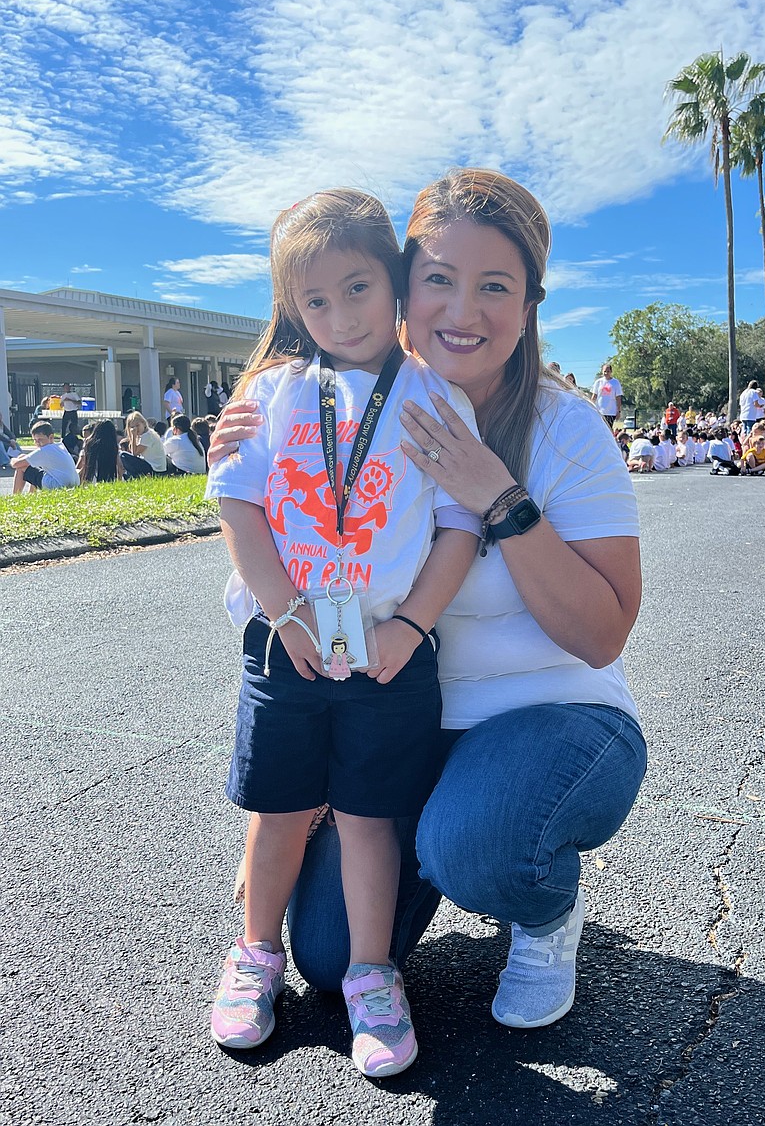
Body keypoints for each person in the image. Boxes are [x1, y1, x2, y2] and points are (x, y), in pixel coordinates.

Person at [209, 169, 646, 1048]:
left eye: (496, 286)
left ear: (530, 305)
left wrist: (500, 499)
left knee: (474, 840)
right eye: (440, 278)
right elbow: (273, 548)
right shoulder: (321, 400)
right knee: (326, 953)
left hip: (548, 717)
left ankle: (542, 907)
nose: (464, 309)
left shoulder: (566, 428)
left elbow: (602, 634)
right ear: (406, 285)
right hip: (393, 712)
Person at [204, 188, 481, 1076]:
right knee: (279, 809)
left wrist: (413, 624)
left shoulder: (434, 396)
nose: (340, 315)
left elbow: (459, 526)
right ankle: (254, 952)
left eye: (358, 288)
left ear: (395, 281)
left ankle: (372, 972)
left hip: (389, 650)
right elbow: (239, 506)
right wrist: (284, 610)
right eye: (315, 300)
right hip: (286, 642)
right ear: (293, 307)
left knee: (369, 817)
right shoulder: (273, 393)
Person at [10, 420, 80, 494]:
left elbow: (16, 464)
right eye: (35, 440)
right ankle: (31, 494)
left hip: (58, 485)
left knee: (21, 466)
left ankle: (16, 495)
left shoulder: (45, 449)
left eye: (40, 439)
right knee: (34, 466)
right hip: (73, 484)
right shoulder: (59, 446)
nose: (37, 443)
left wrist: (13, 459)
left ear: (51, 437)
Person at [121, 412, 168, 479]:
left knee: (123, 455)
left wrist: (133, 436)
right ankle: (129, 476)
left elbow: (134, 453)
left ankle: (133, 477)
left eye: (137, 425)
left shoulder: (147, 435)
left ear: (143, 423)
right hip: (155, 466)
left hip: (155, 468)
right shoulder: (146, 434)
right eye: (132, 427)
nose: (136, 429)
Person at [590, 363, 622, 428]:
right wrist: (590, 407)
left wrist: (618, 411)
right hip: (599, 411)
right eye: (604, 371)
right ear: (602, 371)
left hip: (611, 412)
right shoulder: (598, 382)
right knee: (599, 428)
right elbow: (594, 396)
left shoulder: (615, 382)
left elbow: (618, 398)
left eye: (608, 371)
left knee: (608, 429)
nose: (606, 373)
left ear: (611, 371)